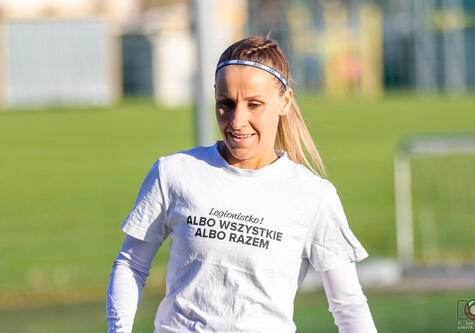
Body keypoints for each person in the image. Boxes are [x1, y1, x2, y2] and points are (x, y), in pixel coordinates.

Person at [106, 36, 377, 333]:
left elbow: (348, 305)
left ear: (284, 101)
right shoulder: (174, 172)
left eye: (254, 104)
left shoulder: (313, 195)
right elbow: (132, 264)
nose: (237, 120)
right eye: (226, 103)